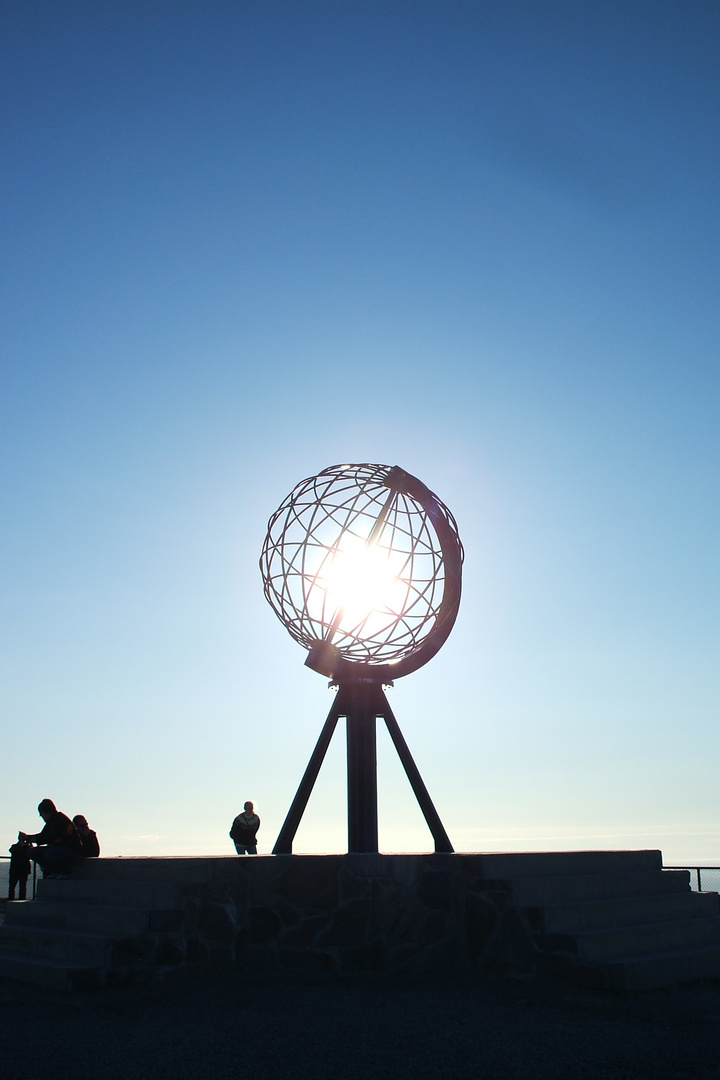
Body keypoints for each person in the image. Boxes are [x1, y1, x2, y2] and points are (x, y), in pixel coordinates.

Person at [19, 799, 85, 878]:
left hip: (72, 851)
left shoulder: (61, 820)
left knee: (49, 853)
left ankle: (66, 871)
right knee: (31, 852)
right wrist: (28, 838)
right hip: (59, 850)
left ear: (46, 812)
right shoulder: (51, 822)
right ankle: (55, 870)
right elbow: (43, 836)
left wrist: (33, 839)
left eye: (41, 814)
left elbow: (51, 837)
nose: (41, 817)